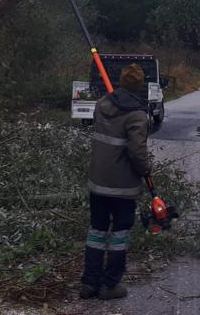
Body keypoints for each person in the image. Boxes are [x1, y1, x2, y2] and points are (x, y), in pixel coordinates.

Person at [80, 63, 153, 301]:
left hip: (98, 182)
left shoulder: (101, 106)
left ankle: (89, 283)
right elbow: (137, 151)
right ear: (139, 86)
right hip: (123, 187)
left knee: (97, 232)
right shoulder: (137, 115)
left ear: (121, 82)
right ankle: (109, 285)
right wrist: (146, 170)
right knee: (119, 235)